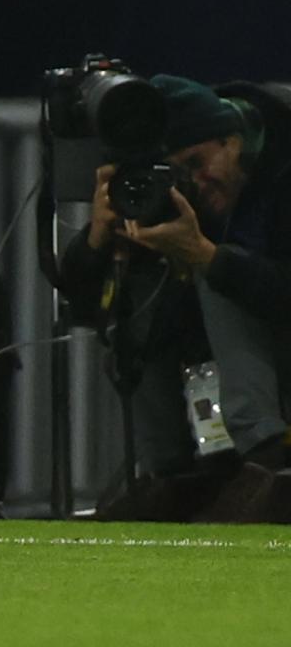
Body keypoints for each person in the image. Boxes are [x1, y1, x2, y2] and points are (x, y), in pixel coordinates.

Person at [59, 75, 291, 522]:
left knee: (216, 270)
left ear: (233, 142)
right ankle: (172, 473)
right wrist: (97, 239)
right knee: (144, 288)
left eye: (199, 161)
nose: (198, 182)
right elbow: (87, 309)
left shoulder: (282, 170)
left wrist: (206, 256)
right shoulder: (181, 202)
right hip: (237, 363)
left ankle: (268, 457)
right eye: (178, 172)